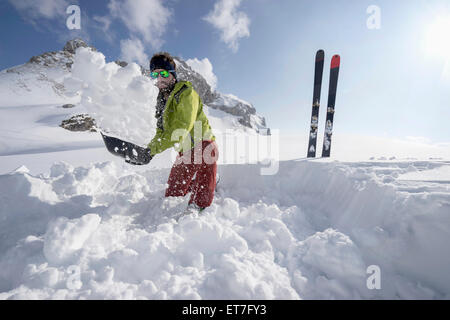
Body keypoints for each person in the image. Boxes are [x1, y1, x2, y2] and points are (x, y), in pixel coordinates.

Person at [135, 52, 219, 213]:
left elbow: (181, 128)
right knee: (172, 195)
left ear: (172, 75)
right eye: (155, 74)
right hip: (185, 151)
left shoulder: (186, 93)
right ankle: (201, 181)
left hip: (204, 146)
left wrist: (152, 151)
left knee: (200, 202)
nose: (160, 78)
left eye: (164, 73)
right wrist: (147, 151)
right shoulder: (161, 101)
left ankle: (210, 183)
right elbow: (161, 132)